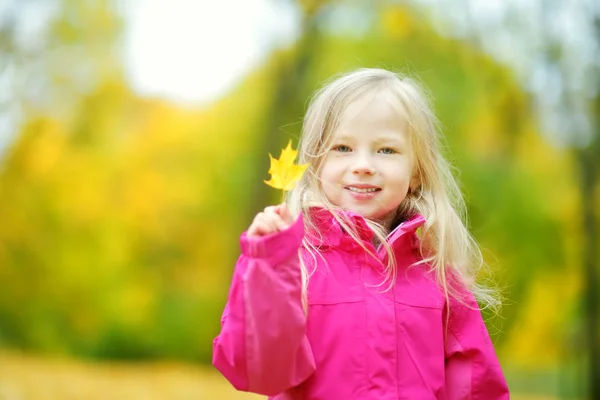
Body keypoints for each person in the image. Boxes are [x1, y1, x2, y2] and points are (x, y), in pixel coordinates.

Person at [212, 68, 509, 399]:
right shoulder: (294, 264)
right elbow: (260, 373)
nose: (363, 164)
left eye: (386, 150)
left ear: (416, 172)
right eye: (342, 148)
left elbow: (476, 386)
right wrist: (270, 267)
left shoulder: (437, 275)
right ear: (315, 164)